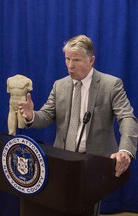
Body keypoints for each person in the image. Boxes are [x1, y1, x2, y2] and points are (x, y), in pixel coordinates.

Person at [18, 35, 138, 215]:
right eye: (67, 58)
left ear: (91, 60)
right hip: (62, 160)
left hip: (94, 162)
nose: (70, 65)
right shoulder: (60, 85)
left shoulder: (110, 85)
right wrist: (31, 116)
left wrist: (126, 150)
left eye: (76, 60)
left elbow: (127, 117)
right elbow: (46, 116)